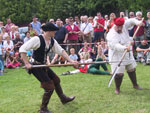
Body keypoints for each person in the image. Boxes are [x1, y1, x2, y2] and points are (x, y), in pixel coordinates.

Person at [19, 22, 78, 113]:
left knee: (56, 80)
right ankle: (43, 109)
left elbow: (61, 51)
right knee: (49, 87)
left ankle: (63, 98)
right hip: (35, 66)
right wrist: (26, 63)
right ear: (49, 31)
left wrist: (71, 61)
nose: (55, 32)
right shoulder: (37, 39)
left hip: (44, 65)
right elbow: (22, 49)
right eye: (54, 31)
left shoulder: (52, 41)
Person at [106, 17, 143, 94]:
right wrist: (124, 48)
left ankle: (135, 85)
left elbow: (131, 20)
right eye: (118, 27)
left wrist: (137, 22)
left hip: (127, 53)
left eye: (121, 27)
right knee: (119, 74)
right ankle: (117, 88)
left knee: (131, 69)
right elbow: (115, 45)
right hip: (116, 54)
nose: (120, 28)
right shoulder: (111, 34)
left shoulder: (124, 25)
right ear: (115, 25)